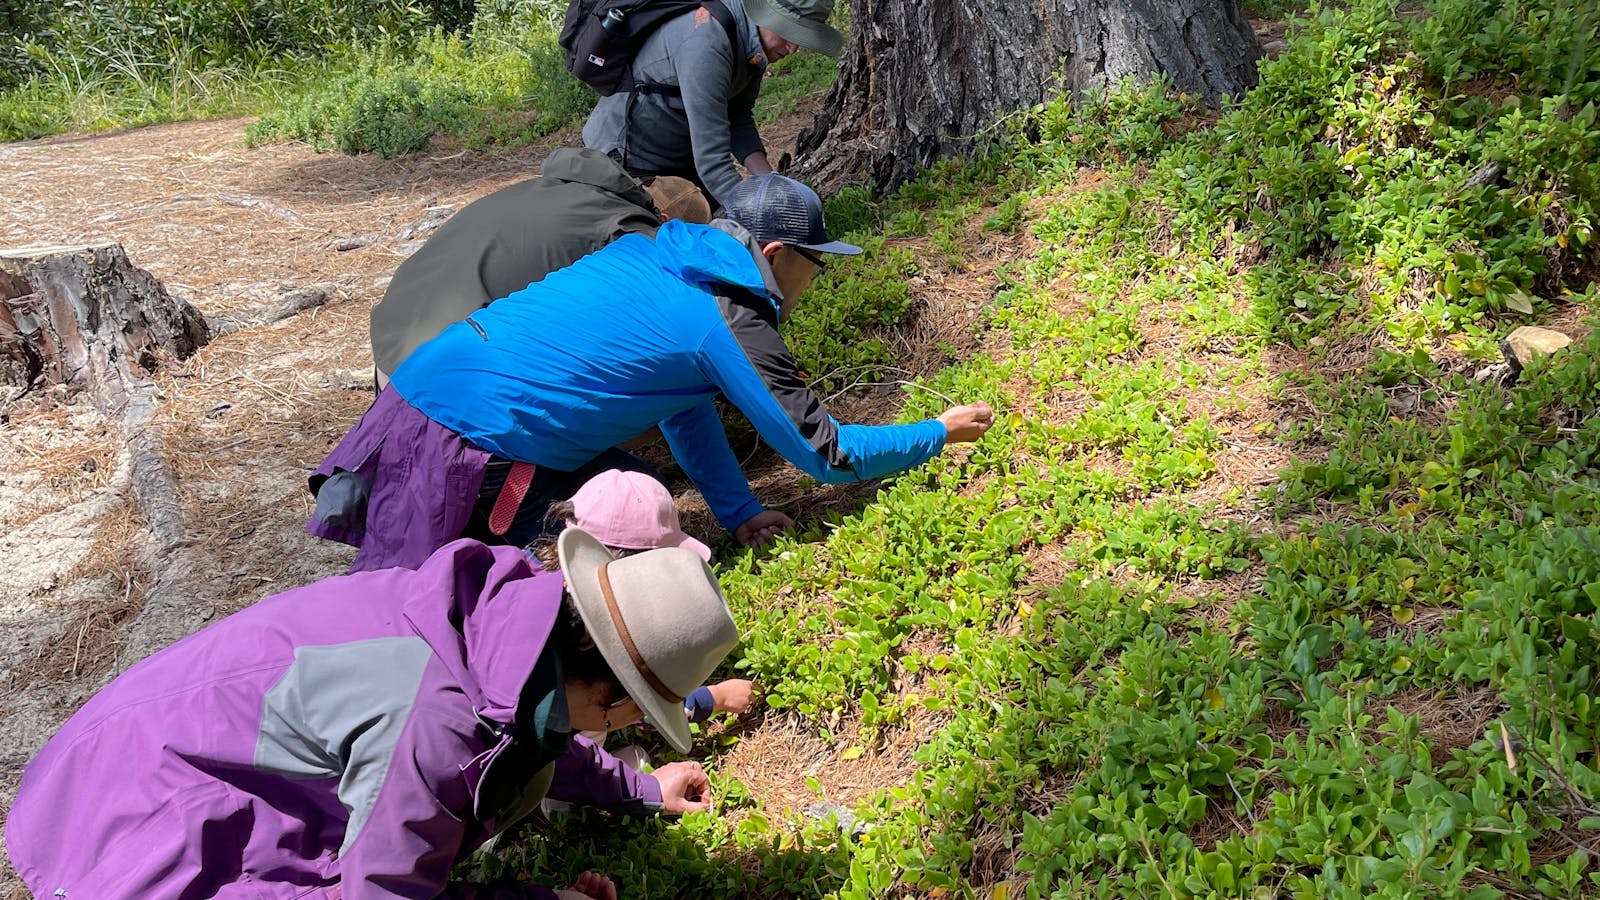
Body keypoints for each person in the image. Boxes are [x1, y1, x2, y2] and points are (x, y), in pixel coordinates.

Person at [308, 173, 994, 573]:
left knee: (399, 595)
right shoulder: (727, 317)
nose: (815, 278)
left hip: (419, 393)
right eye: (814, 262)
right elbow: (827, 454)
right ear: (777, 253)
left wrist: (741, 511)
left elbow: (680, 406)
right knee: (441, 611)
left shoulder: (662, 255)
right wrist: (938, 430)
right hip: (472, 440)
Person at [6, 533, 738, 900]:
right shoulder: (434, 725)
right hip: (133, 817)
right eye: (630, 714)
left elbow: (528, 716)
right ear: (606, 696)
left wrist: (637, 788)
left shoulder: (498, 624)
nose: (617, 729)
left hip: (140, 746)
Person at [369, 147, 711, 387]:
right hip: (440, 373)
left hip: (392, 341)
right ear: (665, 222)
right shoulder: (623, 229)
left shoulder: (558, 187)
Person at [581, 0, 843, 208]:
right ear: (766, 14)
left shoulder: (753, 40)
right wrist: (758, 213)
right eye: (788, 32)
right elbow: (712, 161)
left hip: (681, 155)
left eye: (801, 36)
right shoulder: (707, 45)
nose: (793, 48)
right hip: (630, 156)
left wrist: (770, 183)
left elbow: (738, 117)